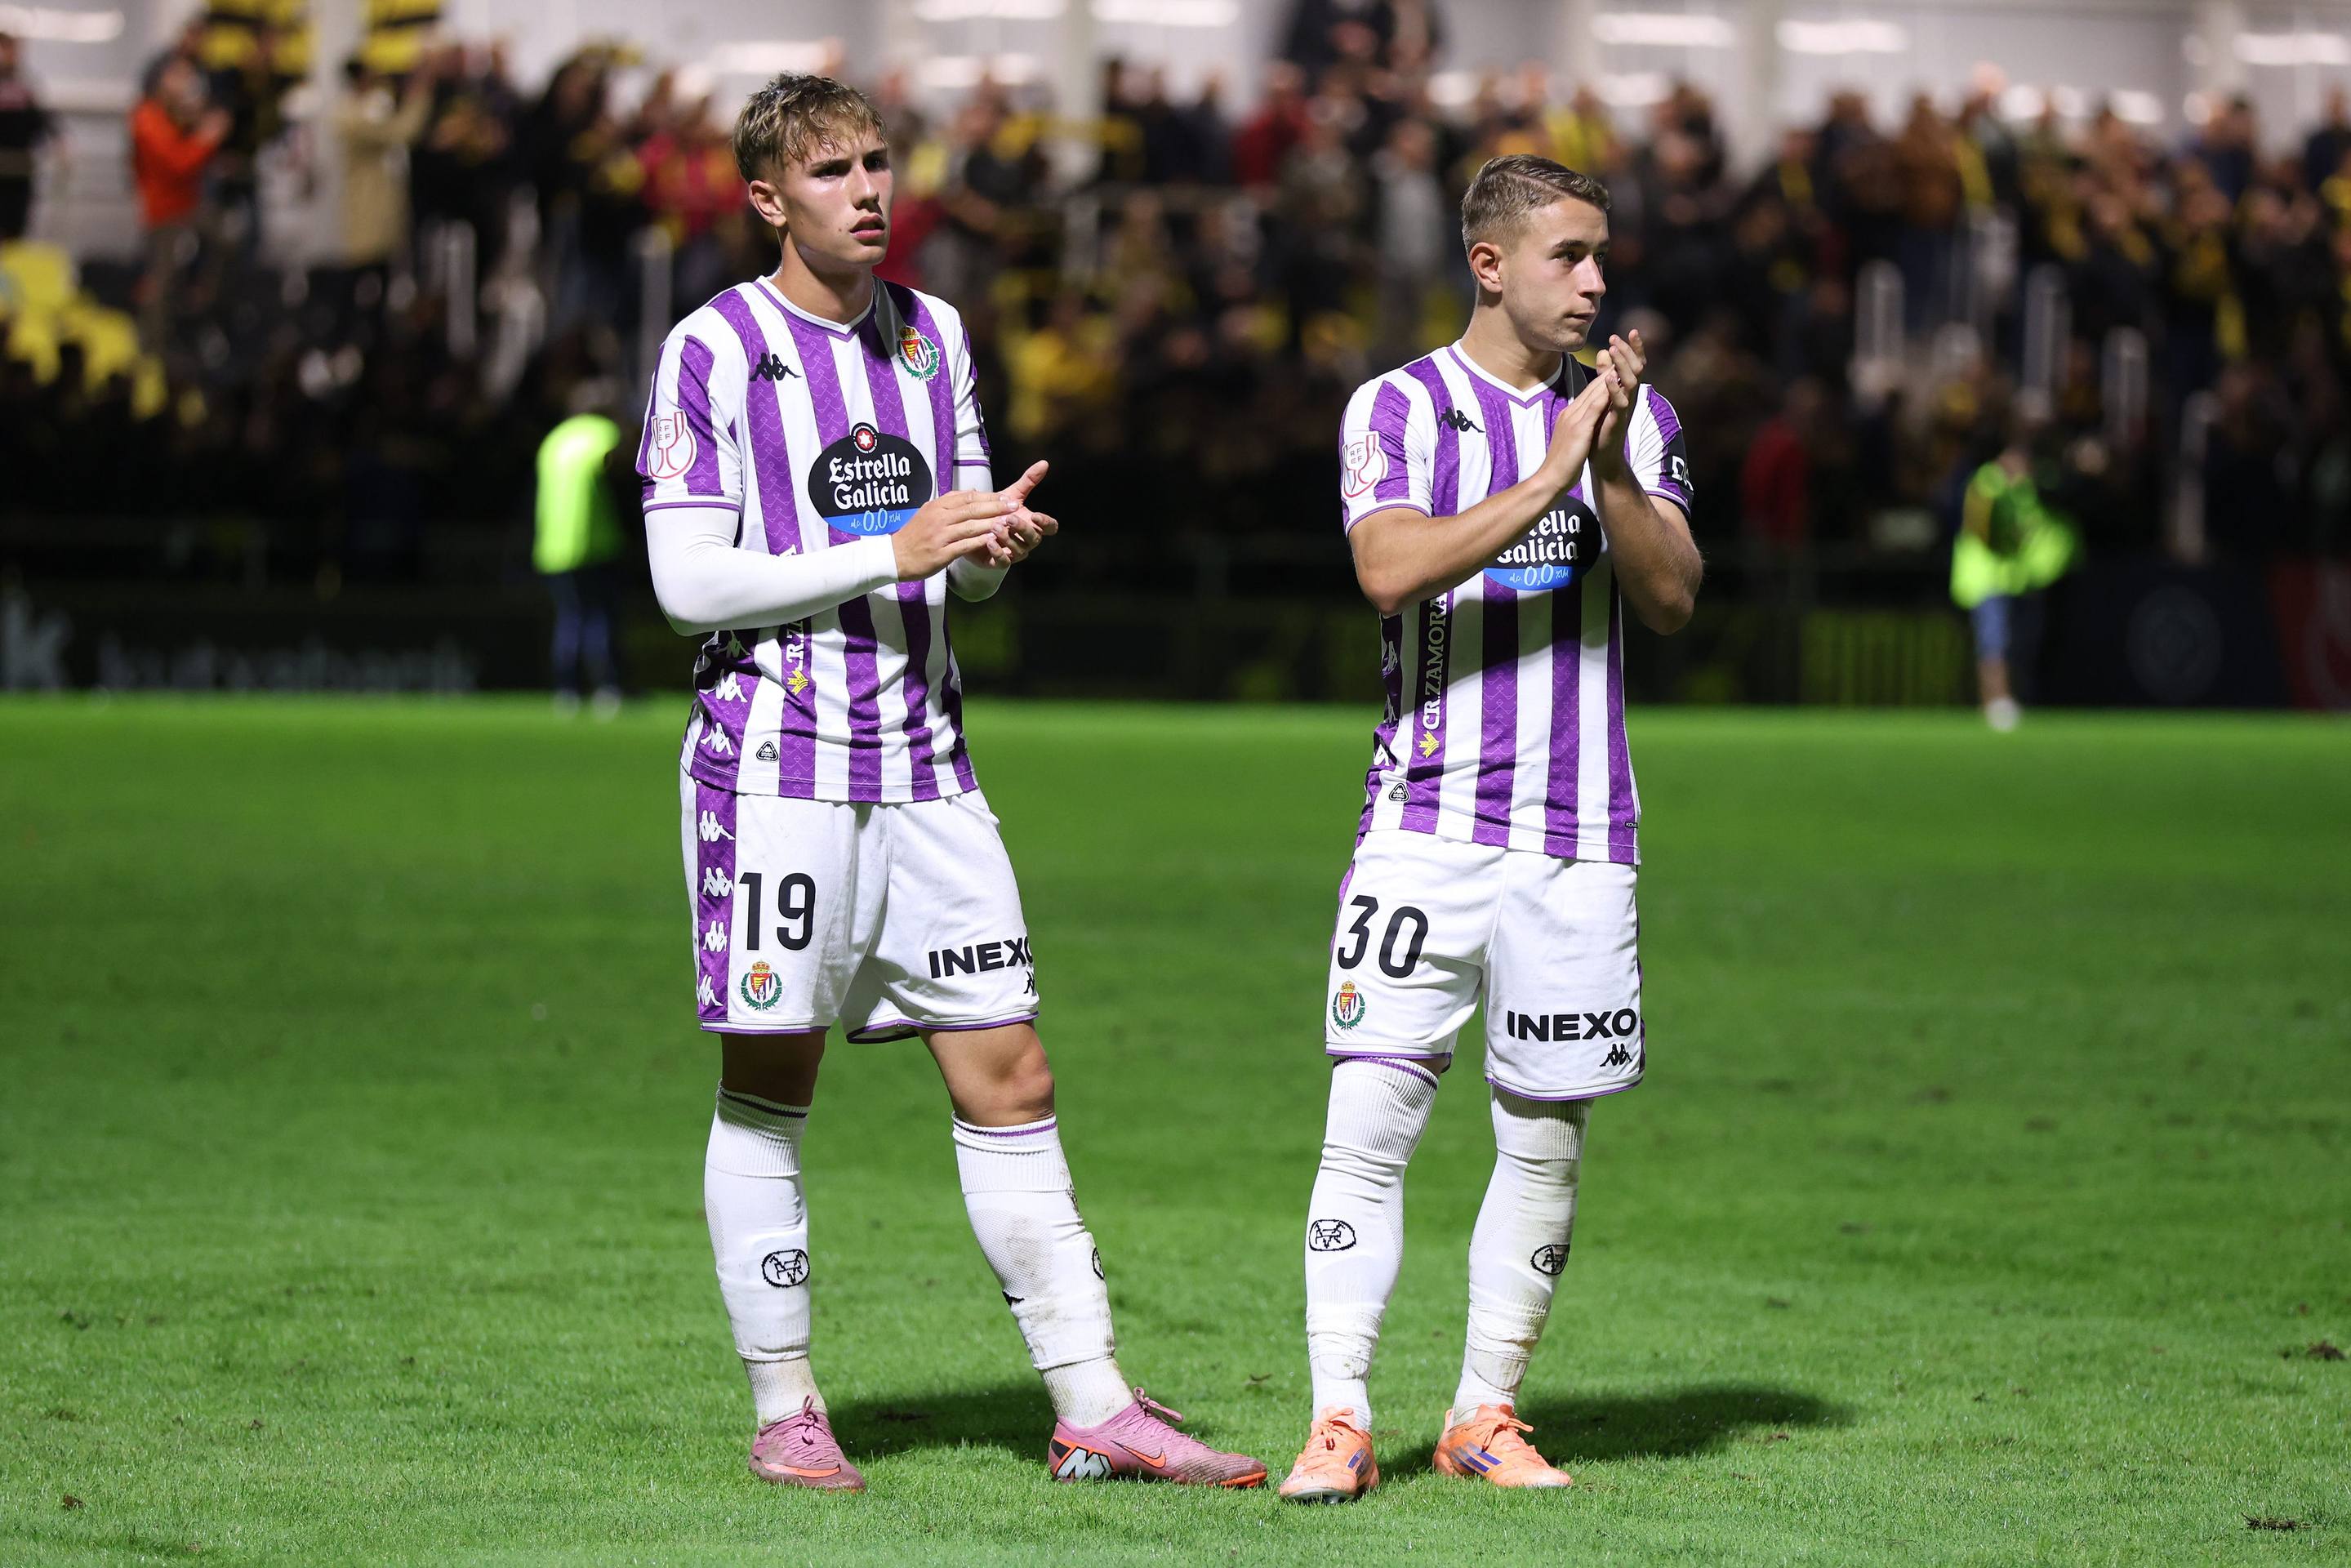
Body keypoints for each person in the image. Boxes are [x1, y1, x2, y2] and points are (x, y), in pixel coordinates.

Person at [636, 73, 1263, 1494]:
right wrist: (898, 550)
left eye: (876, 163)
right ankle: (785, 1408)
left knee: (1010, 1070)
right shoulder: (713, 348)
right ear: (766, 198)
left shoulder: (934, 336)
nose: (867, 190)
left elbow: (957, 569)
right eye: (831, 171)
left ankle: (1093, 1404)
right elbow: (685, 586)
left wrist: (984, 553)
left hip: (926, 766)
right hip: (778, 771)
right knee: (772, 1082)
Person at [1280, 154, 1702, 1503]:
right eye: (1566, 255)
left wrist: (1610, 465)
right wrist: (1552, 468)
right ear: (1488, 264)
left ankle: (1482, 1412)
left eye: (1599, 256)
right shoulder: (1398, 407)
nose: (1592, 281)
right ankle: (1338, 1420)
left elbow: (1672, 600)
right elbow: (1387, 568)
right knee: (1368, 1121)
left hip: (1579, 834)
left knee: (1543, 1134)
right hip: (1424, 824)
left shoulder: (1634, 418)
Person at [1950, 416, 2081, 730]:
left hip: (2020, 580)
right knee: (1995, 640)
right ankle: (1996, 701)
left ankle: (2016, 699)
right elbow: (1981, 527)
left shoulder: (2033, 486)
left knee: (2023, 644)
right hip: (1987, 579)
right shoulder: (1987, 484)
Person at [533, 388, 628, 717]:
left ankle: (567, 691)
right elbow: (622, 464)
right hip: (594, 543)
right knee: (600, 617)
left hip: (552, 547)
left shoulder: (554, 439)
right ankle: (608, 688)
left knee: (569, 618)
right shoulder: (605, 433)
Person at [129, 56, 227, 354]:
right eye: (178, 75)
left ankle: (201, 311)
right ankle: (152, 349)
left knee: (224, 240)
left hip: (189, 204)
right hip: (164, 210)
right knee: (162, 281)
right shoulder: (147, 117)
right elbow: (177, 163)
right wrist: (206, 138)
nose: (185, 83)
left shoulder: (179, 113)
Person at [0, 30, 56, 241]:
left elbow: (41, 118)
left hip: (20, 169)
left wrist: (58, 140)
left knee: (16, 228)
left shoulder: (25, 84)